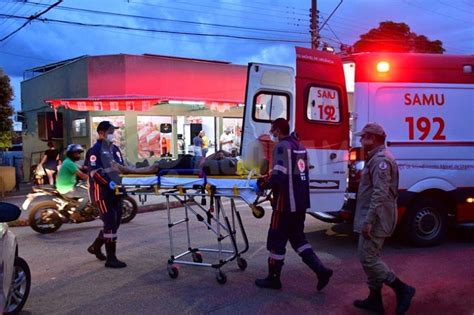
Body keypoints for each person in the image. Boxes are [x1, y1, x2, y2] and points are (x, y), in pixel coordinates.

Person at [254, 118, 333, 291]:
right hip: (300, 203)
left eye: (272, 130)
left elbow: (279, 176)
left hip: (285, 205)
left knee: (276, 240)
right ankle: (321, 271)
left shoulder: (282, 147)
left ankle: (274, 279)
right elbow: (297, 175)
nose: (271, 134)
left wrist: (261, 184)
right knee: (298, 239)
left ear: (277, 130)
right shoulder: (300, 147)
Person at [352, 123, 415, 315]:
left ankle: (402, 289)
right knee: (371, 256)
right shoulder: (376, 158)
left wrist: (369, 221)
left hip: (377, 218)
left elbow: (380, 194)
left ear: (373, 138)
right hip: (375, 216)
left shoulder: (381, 161)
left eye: (363, 137)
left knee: (368, 258)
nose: (361, 140)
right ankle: (375, 299)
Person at [85, 121, 158, 268]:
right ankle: (111, 258)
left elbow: (121, 168)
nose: (114, 134)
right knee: (110, 222)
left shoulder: (115, 149)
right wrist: (108, 183)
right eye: (111, 132)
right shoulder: (95, 150)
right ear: (101, 133)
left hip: (117, 191)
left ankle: (95, 247)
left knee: (116, 222)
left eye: (114, 132)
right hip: (102, 193)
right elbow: (94, 172)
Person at [55, 144, 89, 222]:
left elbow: (82, 168)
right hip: (67, 189)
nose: (79, 155)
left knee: (83, 186)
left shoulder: (68, 161)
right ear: (71, 154)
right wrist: (95, 178)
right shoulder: (69, 163)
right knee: (87, 195)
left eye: (79, 153)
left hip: (67, 186)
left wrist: (92, 167)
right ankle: (76, 214)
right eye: (77, 153)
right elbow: (82, 175)